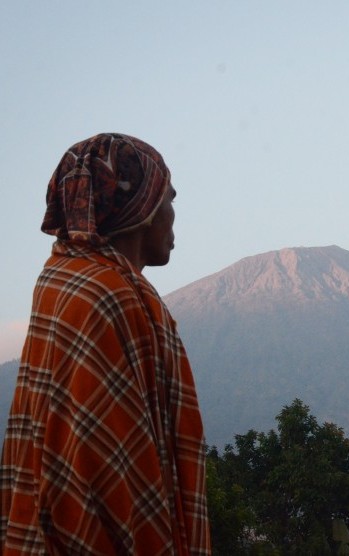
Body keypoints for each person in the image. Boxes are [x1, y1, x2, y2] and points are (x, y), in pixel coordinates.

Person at [0, 133, 210, 554]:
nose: (173, 215)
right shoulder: (106, 295)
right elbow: (103, 463)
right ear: (142, 209)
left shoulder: (63, 279)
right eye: (167, 199)